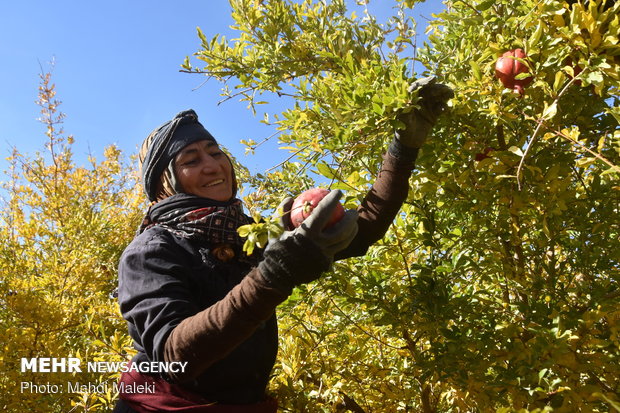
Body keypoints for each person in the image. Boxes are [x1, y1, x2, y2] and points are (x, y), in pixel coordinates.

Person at [113, 77, 453, 412]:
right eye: (191, 160)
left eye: (215, 152)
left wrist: (403, 149)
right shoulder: (150, 252)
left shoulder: (249, 233)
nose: (213, 165)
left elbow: (361, 230)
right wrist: (272, 276)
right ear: (165, 183)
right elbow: (175, 356)